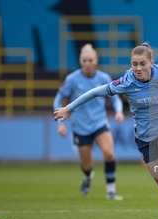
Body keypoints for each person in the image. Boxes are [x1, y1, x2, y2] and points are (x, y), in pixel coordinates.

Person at [54, 42, 158, 219]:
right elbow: (95, 92)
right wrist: (68, 108)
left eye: (142, 63)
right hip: (144, 138)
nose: (138, 68)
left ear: (151, 63)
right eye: (134, 64)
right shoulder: (126, 82)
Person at [53, 44, 125, 200]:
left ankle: (111, 192)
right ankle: (87, 176)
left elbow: (116, 98)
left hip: (100, 124)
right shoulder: (72, 79)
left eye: (90, 60)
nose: (87, 63)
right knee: (87, 166)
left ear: (96, 61)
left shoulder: (104, 78)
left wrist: (118, 111)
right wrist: (60, 123)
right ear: (80, 61)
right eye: (84, 60)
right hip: (80, 126)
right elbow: (59, 98)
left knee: (109, 153)